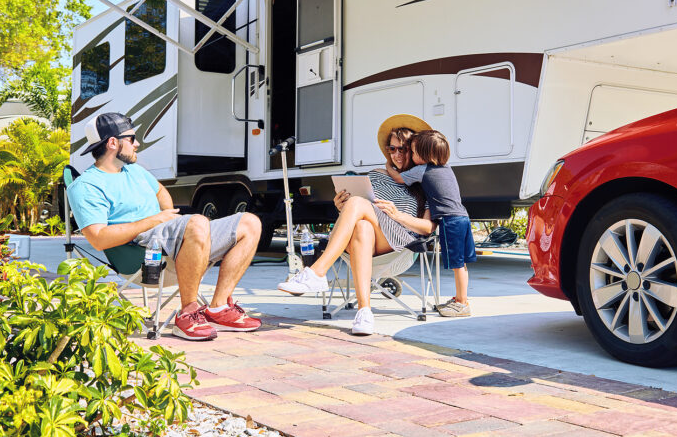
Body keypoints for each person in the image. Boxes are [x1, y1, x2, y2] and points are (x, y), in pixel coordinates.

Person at [66, 112, 262, 341]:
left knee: (250, 222)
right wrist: (156, 220)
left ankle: (218, 307)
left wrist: (166, 217)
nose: (137, 143)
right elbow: (98, 238)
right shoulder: (86, 186)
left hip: (168, 239)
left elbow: (160, 192)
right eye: (131, 138)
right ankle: (187, 314)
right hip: (139, 252)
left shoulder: (133, 170)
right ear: (112, 143)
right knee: (197, 222)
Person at [277, 114, 435, 335]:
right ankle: (364, 312)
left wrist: (397, 215)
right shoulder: (376, 175)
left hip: (400, 246)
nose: (397, 154)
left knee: (358, 204)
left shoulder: (425, 183)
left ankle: (317, 272)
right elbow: (362, 210)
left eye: (403, 149)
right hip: (368, 239)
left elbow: (428, 228)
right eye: (392, 149)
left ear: (414, 150)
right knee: (362, 225)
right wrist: (341, 207)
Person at [386, 129, 476, 317]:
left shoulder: (421, 169)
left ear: (425, 155)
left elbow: (397, 178)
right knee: (463, 263)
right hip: (463, 217)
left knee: (457, 264)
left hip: (449, 220)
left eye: (414, 151)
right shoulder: (447, 168)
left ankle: (462, 303)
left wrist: (388, 163)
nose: (412, 154)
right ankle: (462, 297)